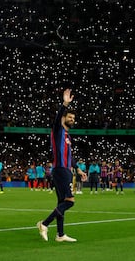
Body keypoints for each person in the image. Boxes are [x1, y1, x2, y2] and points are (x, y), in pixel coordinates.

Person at [37, 88, 87, 243]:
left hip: (66, 169)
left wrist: (78, 168)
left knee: (61, 203)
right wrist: (65, 104)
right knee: (70, 201)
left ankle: (60, 234)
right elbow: (59, 116)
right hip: (60, 170)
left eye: (73, 118)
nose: (72, 119)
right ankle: (44, 224)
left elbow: (69, 157)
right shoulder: (58, 130)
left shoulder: (67, 136)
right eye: (69, 117)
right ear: (64, 118)